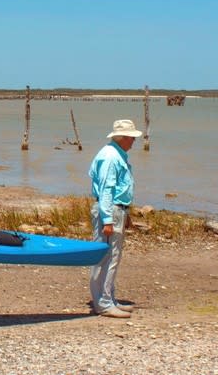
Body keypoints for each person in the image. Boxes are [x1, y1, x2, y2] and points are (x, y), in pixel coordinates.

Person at [88, 119, 142, 318]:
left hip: (116, 210)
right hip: (110, 210)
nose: (133, 141)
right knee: (107, 257)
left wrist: (124, 214)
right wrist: (108, 219)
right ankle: (103, 303)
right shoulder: (111, 157)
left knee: (111, 257)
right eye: (131, 138)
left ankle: (108, 297)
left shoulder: (115, 153)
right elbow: (107, 190)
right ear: (123, 137)